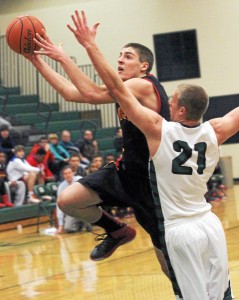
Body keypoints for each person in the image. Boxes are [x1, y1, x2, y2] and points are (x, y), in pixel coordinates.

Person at [70, 12, 234, 299]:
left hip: (180, 229)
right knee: (221, 293)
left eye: (172, 101)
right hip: (209, 223)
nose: (167, 102)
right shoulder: (215, 131)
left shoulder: (159, 131)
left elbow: (118, 89)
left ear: (180, 110)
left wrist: (89, 45)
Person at [29, 13, 170, 276]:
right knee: (69, 200)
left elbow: (92, 91)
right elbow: (72, 93)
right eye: (119, 55)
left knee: (168, 263)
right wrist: (36, 60)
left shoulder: (143, 86)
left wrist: (63, 57)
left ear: (144, 66)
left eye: (127, 56)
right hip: (127, 171)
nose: (119, 59)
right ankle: (116, 230)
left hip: (153, 183)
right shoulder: (125, 88)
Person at [56, 165, 90, 234]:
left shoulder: (80, 180)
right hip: (72, 211)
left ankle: (86, 222)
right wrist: (60, 225)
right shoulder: (61, 187)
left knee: (89, 227)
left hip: (85, 208)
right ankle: (79, 223)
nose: (68, 175)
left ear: (73, 173)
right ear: (63, 175)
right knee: (68, 229)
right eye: (65, 174)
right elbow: (59, 206)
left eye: (69, 173)